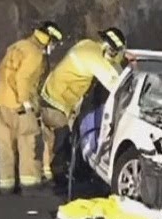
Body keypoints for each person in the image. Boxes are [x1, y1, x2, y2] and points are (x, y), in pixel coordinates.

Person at [39, 27, 127, 184]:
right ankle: (59, 178)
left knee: (52, 140)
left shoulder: (88, 45)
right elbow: (116, 84)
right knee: (62, 140)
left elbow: (111, 67)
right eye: (115, 52)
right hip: (57, 102)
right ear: (109, 48)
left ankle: (49, 172)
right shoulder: (94, 58)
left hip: (53, 98)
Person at [0, 21, 63, 194]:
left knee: (6, 146)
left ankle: (6, 186)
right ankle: (30, 185)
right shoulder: (35, 54)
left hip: (0, 101)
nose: (53, 47)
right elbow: (22, 79)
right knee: (29, 143)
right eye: (53, 43)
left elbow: (0, 69)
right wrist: (26, 103)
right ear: (48, 39)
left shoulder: (17, 46)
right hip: (18, 106)